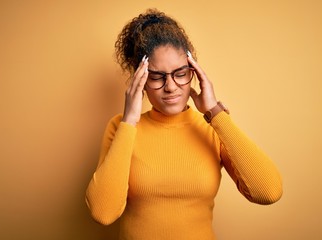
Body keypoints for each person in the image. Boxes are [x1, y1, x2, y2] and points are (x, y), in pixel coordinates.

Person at [86, 8, 283, 240]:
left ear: (194, 73)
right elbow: (103, 212)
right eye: (157, 77)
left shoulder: (213, 127)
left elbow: (269, 192)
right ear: (141, 81)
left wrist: (215, 113)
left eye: (180, 73)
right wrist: (130, 121)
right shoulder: (121, 127)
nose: (170, 87)